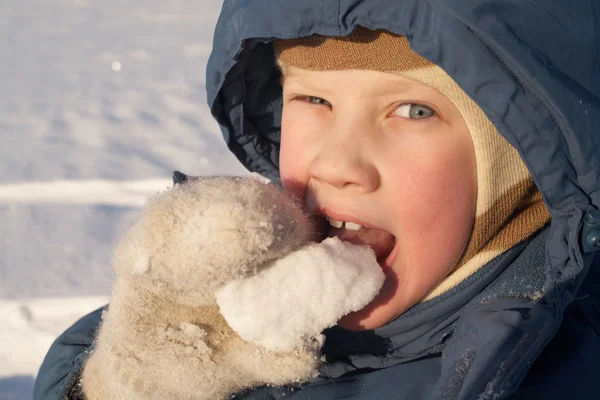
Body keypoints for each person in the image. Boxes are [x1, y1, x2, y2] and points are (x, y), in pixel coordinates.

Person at [34, 0, 600, 399]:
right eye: (313, 98)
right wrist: (115, 386)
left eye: (413, 111)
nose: (335, 165)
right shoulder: (210, 312)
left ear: (521, 154)